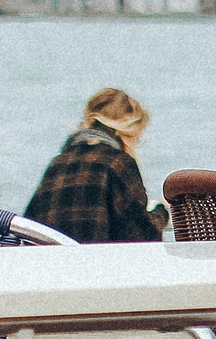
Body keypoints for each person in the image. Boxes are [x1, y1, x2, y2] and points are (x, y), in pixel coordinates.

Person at [24, 89, 168, 243]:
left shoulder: (58, 163)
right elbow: (139, 235)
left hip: (54, 263)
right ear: (124, 133)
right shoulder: (117, 162)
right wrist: (164, 211)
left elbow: (32, 226)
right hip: (98, 264)